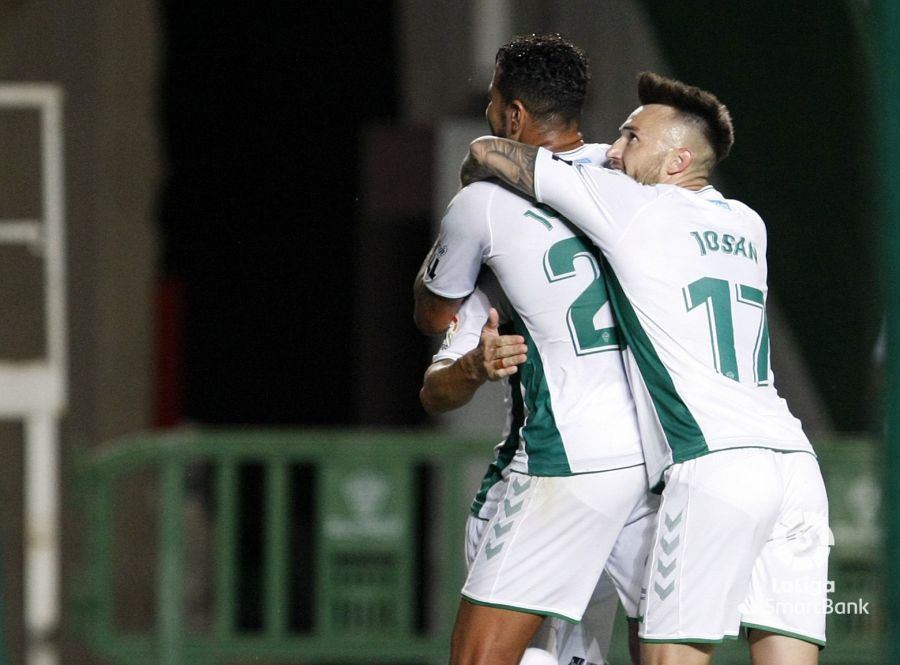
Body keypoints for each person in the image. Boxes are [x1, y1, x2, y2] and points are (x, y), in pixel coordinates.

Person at [460, 71, 830, 665]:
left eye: (631, 137)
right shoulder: (748, 223)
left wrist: (480, 163)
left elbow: (493, 152)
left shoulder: (635, 206)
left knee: (670, 657)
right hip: (793, 466)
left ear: (678, 160)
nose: (612, 149)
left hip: (714, 464)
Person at [414, 34, 657, 665]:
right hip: (658, 460)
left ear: (513, 116)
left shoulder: (483, 205)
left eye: (494, 104)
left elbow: (434, 311)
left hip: (564, 461)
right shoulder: (631, 177)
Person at [421, 270, 620, 665]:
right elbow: (435, 391)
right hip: (527, 495)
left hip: (616, 496)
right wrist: (472, 367)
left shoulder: (627, 260)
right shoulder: (503, 281)